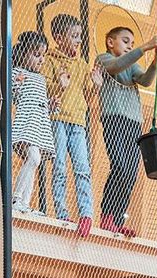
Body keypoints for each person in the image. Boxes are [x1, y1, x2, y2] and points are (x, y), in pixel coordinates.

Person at [96, 25, 157, 236]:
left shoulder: (132, 66)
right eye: (125, 41)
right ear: (111, 42)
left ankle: (117, 220)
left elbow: (145, 80)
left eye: (132, 44)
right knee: (118, 165)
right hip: (114, 119)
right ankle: (106, 216)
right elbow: (117, 66)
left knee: (130, 173)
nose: (130, 47)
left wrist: (155, 61)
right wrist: (145, 48)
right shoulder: (104, 59)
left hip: (133, 123)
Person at [43, 13, 103, 237]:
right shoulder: (49, 60)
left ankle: (86, 214)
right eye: (74, 36)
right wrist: (60, 85)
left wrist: (96, 86)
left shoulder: (81, 65)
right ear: (59, 37)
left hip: (78, 122)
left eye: (80, 36)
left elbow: (87, 98)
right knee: (59, 166)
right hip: (57, 119)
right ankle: (62, 212)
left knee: (82, 169)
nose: (78, 40)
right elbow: (48, 94)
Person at [11, 31, 56, 216]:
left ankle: (23, 202)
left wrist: (51, 105)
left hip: (38, 126)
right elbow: (11, 94)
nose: (41, 60)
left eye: (43, 56)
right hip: (26, 123)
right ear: (22, 54)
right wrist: (17, 82)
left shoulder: (41, 79)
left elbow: (42, 105)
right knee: (34, 158)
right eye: (36, 55)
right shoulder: (17, 72)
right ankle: (16, 199)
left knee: (34, 160)